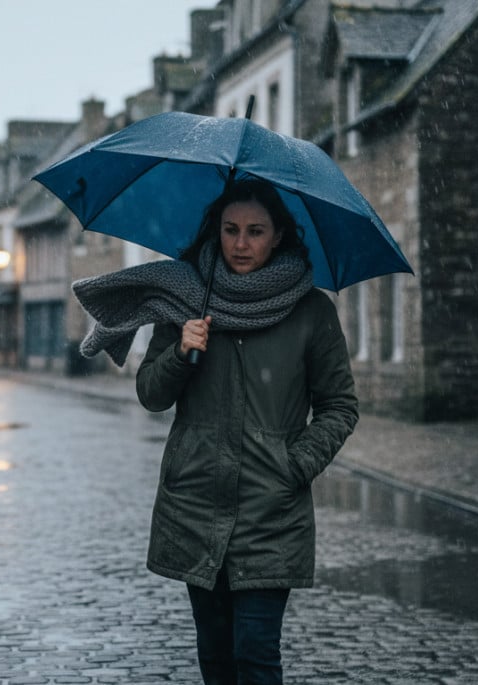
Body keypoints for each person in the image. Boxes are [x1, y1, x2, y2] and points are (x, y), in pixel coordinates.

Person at [134, 179, 359, 684]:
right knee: (215, 658)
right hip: (195, 507)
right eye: (231, 229)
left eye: (255, 231)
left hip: (270, 514)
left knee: (255, 657)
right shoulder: (186, 297)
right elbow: (151, 393)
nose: (240, 243)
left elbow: (340, 406)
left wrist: (293, 464)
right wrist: (180, 352)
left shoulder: (311, 311)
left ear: (278, 235)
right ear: (216, 229)